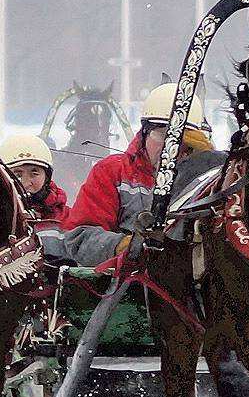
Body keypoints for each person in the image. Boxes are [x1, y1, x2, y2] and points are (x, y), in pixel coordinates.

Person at [42, 82, 213, 265]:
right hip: (127, 283)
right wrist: (126, 245)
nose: (170, 148)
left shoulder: (207, 182)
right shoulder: (112, 173)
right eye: (162, 135)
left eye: (182, 141)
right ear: (145, 133)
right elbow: (79, 238)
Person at [0, 134, 70, 223]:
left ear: (46, 178)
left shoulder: (66, 219)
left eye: (34, 173)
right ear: (3, 176)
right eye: (17, 175)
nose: (26, 183)